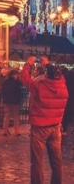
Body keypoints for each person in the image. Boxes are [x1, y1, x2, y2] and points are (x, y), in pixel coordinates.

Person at [21, 56, 68, 184]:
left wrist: (28, 64)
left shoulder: (40, 87)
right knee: (57, 161)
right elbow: (58, 76)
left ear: (47, 75)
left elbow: (24, 78)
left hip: (40, 128)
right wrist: (48, 64)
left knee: (37, 162)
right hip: (56, 127)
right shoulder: (63, 86)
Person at [1, 69, 23, 136]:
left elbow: (3, 92)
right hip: (15, 101)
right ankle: (17, 131)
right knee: (16, 117)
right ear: (14, 75)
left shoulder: (5, 82)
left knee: (7, 116)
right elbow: (19, 91)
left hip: (7, 101)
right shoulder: (16, 82)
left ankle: (5, 131)